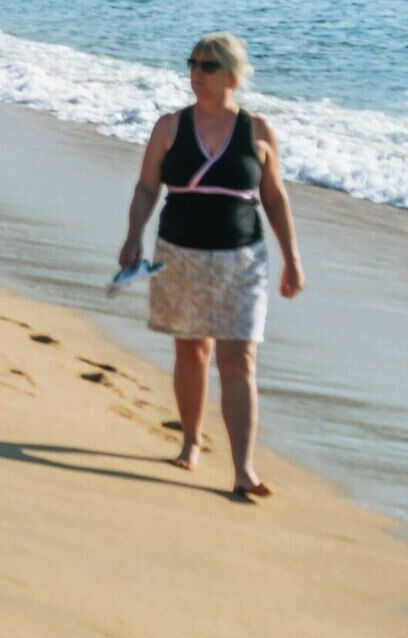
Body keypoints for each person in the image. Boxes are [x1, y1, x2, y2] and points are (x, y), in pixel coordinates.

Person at [119, 34, 306, 500]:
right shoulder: (169, 127)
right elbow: (147, 188)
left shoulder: (258, 131)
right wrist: (132, 237)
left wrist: (292, 259)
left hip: (243, 259)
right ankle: (190, 442)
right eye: (193, 64)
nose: (196, 73)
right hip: (179, 252)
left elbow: (275, 198)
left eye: (208, 65)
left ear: (233, 76)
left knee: (239, 359)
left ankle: (243, 469)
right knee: (191, 351)